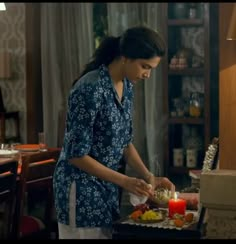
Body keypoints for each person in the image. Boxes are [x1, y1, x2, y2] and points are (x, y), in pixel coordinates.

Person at [53, 25, 175, 239]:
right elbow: (76, 155)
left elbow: (125, 143)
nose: (147, 75)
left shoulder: (126, 86)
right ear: (125, 57)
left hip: (108, 188)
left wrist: (148, 176)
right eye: (144, 66)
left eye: (151, 69)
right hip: (81, 189)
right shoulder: (89, 89)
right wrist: (125, 181)